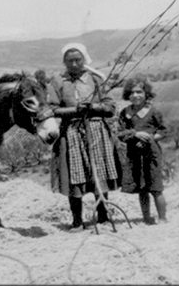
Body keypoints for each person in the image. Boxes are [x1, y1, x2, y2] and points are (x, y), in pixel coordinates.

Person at [48, 43, 122, 232]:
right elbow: (53, 109)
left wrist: (94, 107)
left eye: (77, 60)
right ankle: (77, 221)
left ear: (84, 59)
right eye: (70, 61)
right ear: (64, 62)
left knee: (100, 172)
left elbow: (110, 107)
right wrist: (74, 110)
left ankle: (104, 216)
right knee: (75, 174)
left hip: (97, 130)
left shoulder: (96, 79)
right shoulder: (58, 81)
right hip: (72, 131)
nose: (74, 64)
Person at [117, 75, 168, 224]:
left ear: (146, 93)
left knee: (155, 186)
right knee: (142, 187)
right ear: (127, 95)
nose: (135, 95)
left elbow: (163, 131)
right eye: (132, 92)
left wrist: (149, 139)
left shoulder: (153, 112)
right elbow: (121, 133)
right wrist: (135, 135)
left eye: (139, 92)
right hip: (134, 155)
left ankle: (163, 219)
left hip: (151, 154)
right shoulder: (125, 113)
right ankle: (147, 218)